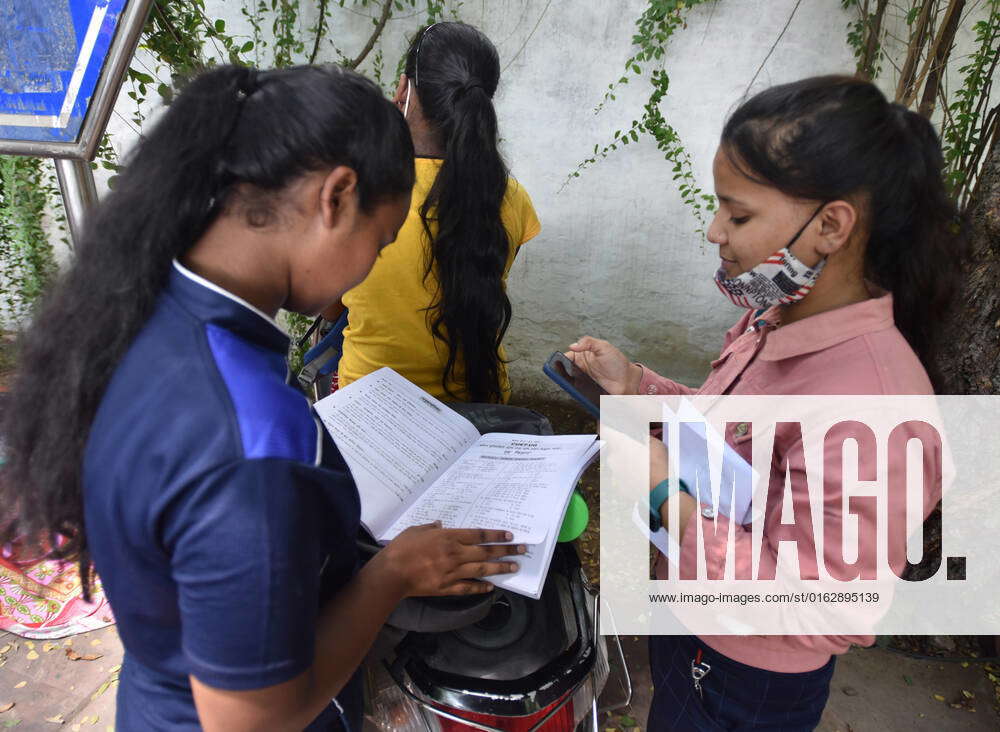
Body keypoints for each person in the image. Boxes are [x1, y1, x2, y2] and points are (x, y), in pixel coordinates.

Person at [0, 64, 524, 731]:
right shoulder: (248, 444)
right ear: (336, 197)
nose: (370, 268)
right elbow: (253, 720)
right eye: (382, 242)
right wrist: (392, 572)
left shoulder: (138, 307)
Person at [567, 75, 967, 730]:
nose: (713, 231)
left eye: (739, 214)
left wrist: (668, 496)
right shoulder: (773, 316)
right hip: (689, 621)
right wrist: (639, 388)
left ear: (831, 225)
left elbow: (826, 603)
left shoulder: (877, 402)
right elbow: (734, 435)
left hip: (745, 678)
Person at [333, 21, 540, 403]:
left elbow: (331, 307)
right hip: (482, 408)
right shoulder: (511, 198)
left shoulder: (354, 191)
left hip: (369, 411)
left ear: (402, 92)